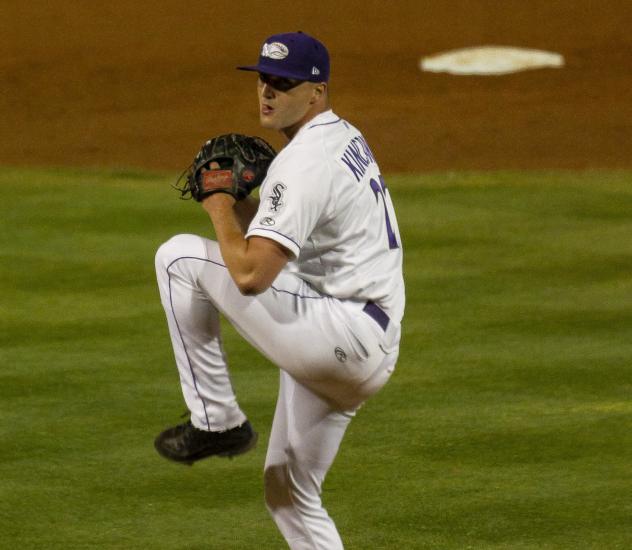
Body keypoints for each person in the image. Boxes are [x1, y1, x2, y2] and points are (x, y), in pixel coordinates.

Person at [153, 31, 405, 550]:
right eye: (264, 78)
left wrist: (219, 203)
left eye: (284, 83)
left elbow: (250, 277)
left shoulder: (304, 163)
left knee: (178, 256)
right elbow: (285, 243)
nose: (267, 92)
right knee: (288, 493)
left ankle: (217, 420)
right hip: (364, 342)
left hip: (339, 333)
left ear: (317, 90)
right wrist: (245, 206)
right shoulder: (341, 136)